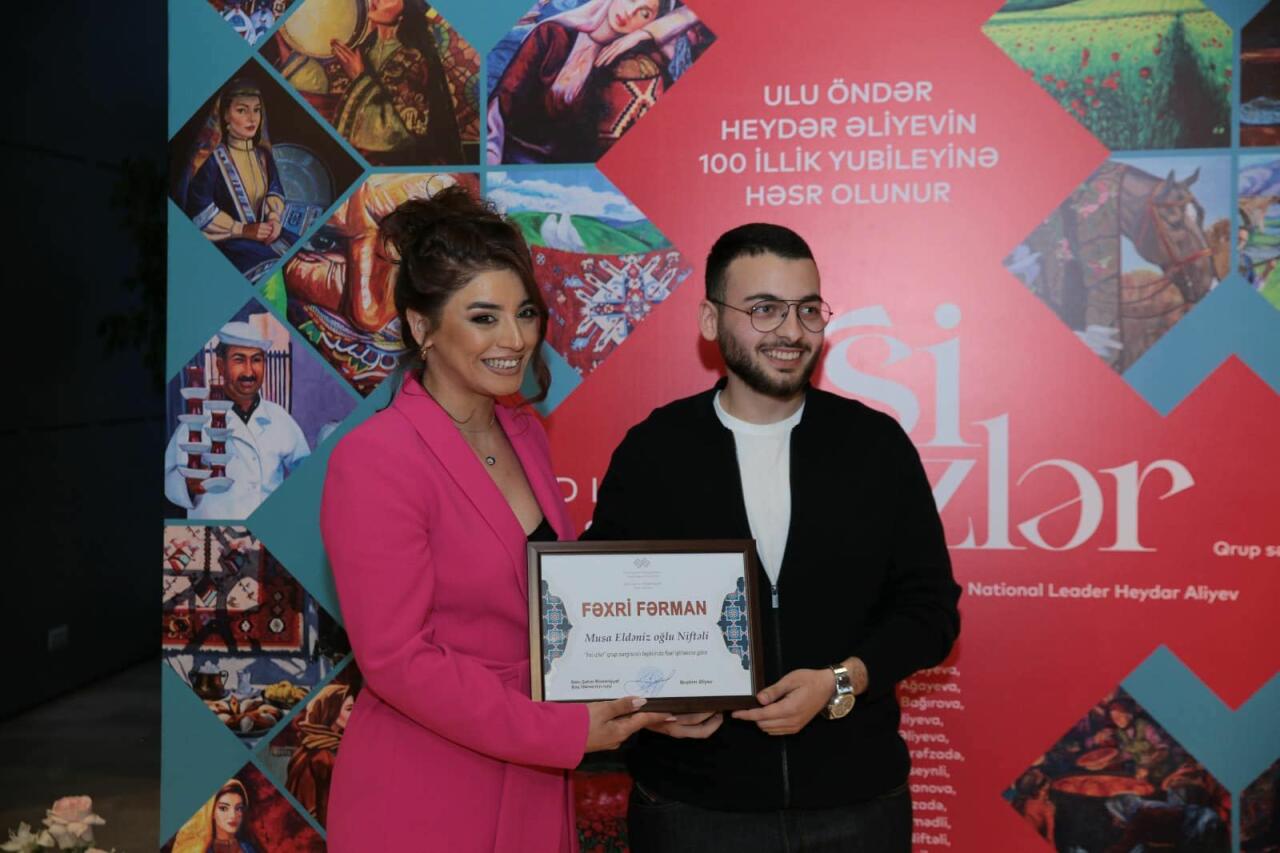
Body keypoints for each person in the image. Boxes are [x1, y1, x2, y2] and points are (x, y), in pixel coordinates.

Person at [584, 223, 962, 852]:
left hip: (857, 807)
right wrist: (657, 708)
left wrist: (840, 681)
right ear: (710, 320)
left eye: (808, 309)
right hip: (691, 809)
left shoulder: (875, 446)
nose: (791, 330)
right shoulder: (655, 449)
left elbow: (931, 611)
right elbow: (602, 613)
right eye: (764, 309)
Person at [319, 185, 666, 851]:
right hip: (428, 789)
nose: (515, 339)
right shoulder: (376, 457)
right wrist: (559, 730)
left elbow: (555, 614)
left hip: (534, 782)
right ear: (421, 326)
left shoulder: (524, 433)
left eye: (525, 312)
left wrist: (660, 695)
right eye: (484, 317)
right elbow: (398, 659)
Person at [486, 0, 702, 163]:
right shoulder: (552, 34)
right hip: (512, 157)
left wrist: (642, 35)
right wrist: (491, 154)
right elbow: (502, 100)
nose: (630, 13)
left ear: (652, 24)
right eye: (630, 0)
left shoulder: (628, 66)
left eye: (644, 14)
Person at [278, 0, 463, 165]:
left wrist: (359, 77)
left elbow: (403, 135)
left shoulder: (415, 58)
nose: (377, 0)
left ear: (408, 8)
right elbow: (330, 95)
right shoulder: (365, 47)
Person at [164, 321, 311, 519]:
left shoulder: (280, 418)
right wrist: (188, 486)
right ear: (220, 366)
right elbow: (168, 477)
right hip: (216, 532)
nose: (249, 372)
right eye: (239, 360)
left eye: (256, 360)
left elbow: (309, 474)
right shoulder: (196, 421)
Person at [177, 78, 297, 283]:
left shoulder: (263, 156)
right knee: (273, 276)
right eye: (242, 110)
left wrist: (274, 219)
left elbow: (274, 190)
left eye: (257, 110)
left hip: (267, 235)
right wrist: (242, 230)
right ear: (225, 115)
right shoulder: (211, 160)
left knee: (305, 258)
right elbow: (198, 211)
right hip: (228, 244)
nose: (252, 118)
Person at [285, 681, 357, 826]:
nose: (356, 714)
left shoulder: (344, 746)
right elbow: (306, 810)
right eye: (349, 709)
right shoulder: (318, 756)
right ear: (330, 711)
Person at [169, 778, 262, 853]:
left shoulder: (248, 848)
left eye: (238, 808)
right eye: (224, 808)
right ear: (212, 812)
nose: (233, 815)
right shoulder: (198, 849)